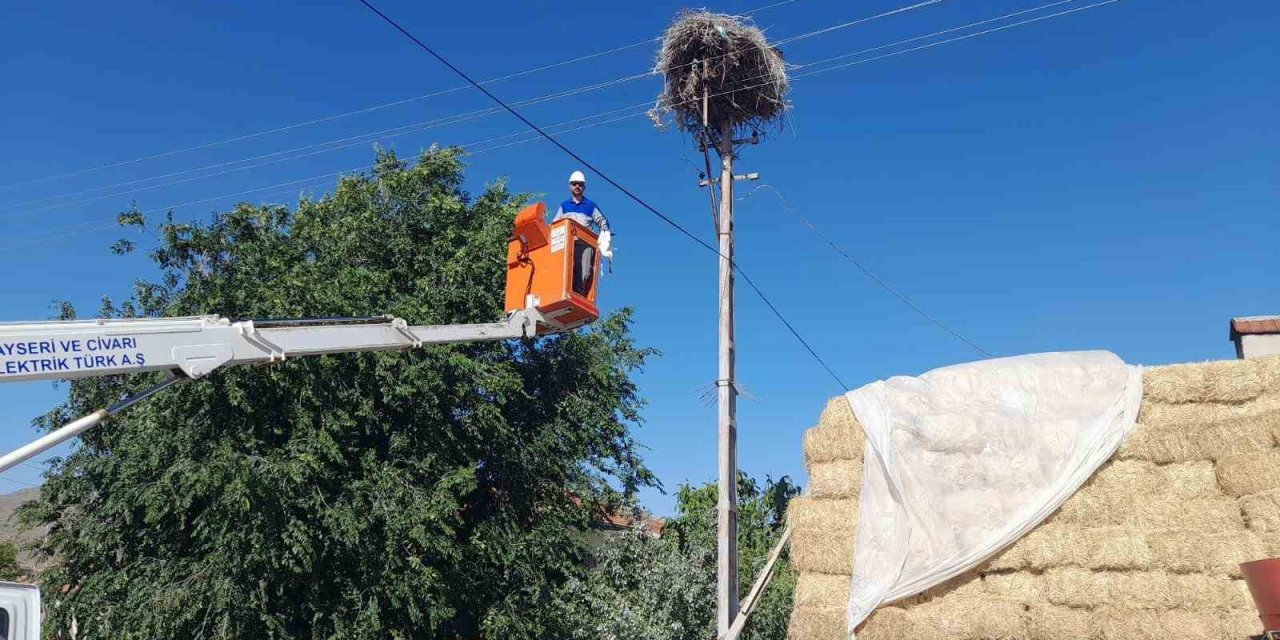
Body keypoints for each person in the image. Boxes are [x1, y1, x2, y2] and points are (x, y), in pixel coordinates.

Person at [553, 171, 611, 296]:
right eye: (574, 184)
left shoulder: (590, 205)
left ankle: (579, 294)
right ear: (570, 186)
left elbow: (603, 221)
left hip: (585, 243)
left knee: (584, 271)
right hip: (569, 243)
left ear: (584, 187)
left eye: (580, 184)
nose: (577, 186)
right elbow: (555, 224)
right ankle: (567, 292)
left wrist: (605, 234)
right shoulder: (564, 206)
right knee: (567, 269)